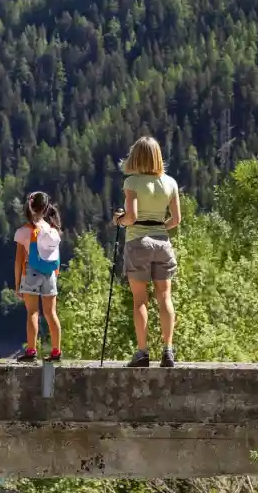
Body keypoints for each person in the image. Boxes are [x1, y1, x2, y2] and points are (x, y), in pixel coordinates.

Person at [113, 136, 182, 368]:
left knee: (140, 300)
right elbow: (176, 219)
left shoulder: (132, 182)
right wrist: (159, 226)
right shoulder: (170, 182)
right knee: (165, 297)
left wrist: (120, 220)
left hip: (138, 242)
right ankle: (168, 350)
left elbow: (131, 217)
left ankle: (142, 352)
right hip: (163, 243)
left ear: (136, 156)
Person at [13, 191, 63, 363]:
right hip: (50, 273)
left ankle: (31, 351)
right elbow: (56, 255)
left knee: (33, 312)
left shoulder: (23, 232)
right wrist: (55, 274)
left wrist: (17, 282)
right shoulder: (52, 230)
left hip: (31, 272)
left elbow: (19, 260)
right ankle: (56, 351)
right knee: (51, 313)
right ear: (46, 208)